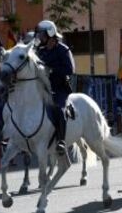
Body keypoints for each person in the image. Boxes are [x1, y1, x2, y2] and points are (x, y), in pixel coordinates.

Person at [34, 20, 75, 155]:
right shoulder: (40, 51)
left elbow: (70, 70)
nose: (40, 38)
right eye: (40, 35)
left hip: (59, 88)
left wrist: (51, 70)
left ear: (50, 34)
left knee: (58, 108)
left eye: (43, 35)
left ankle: (61, 141)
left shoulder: (63, 49)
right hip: (42, 88)